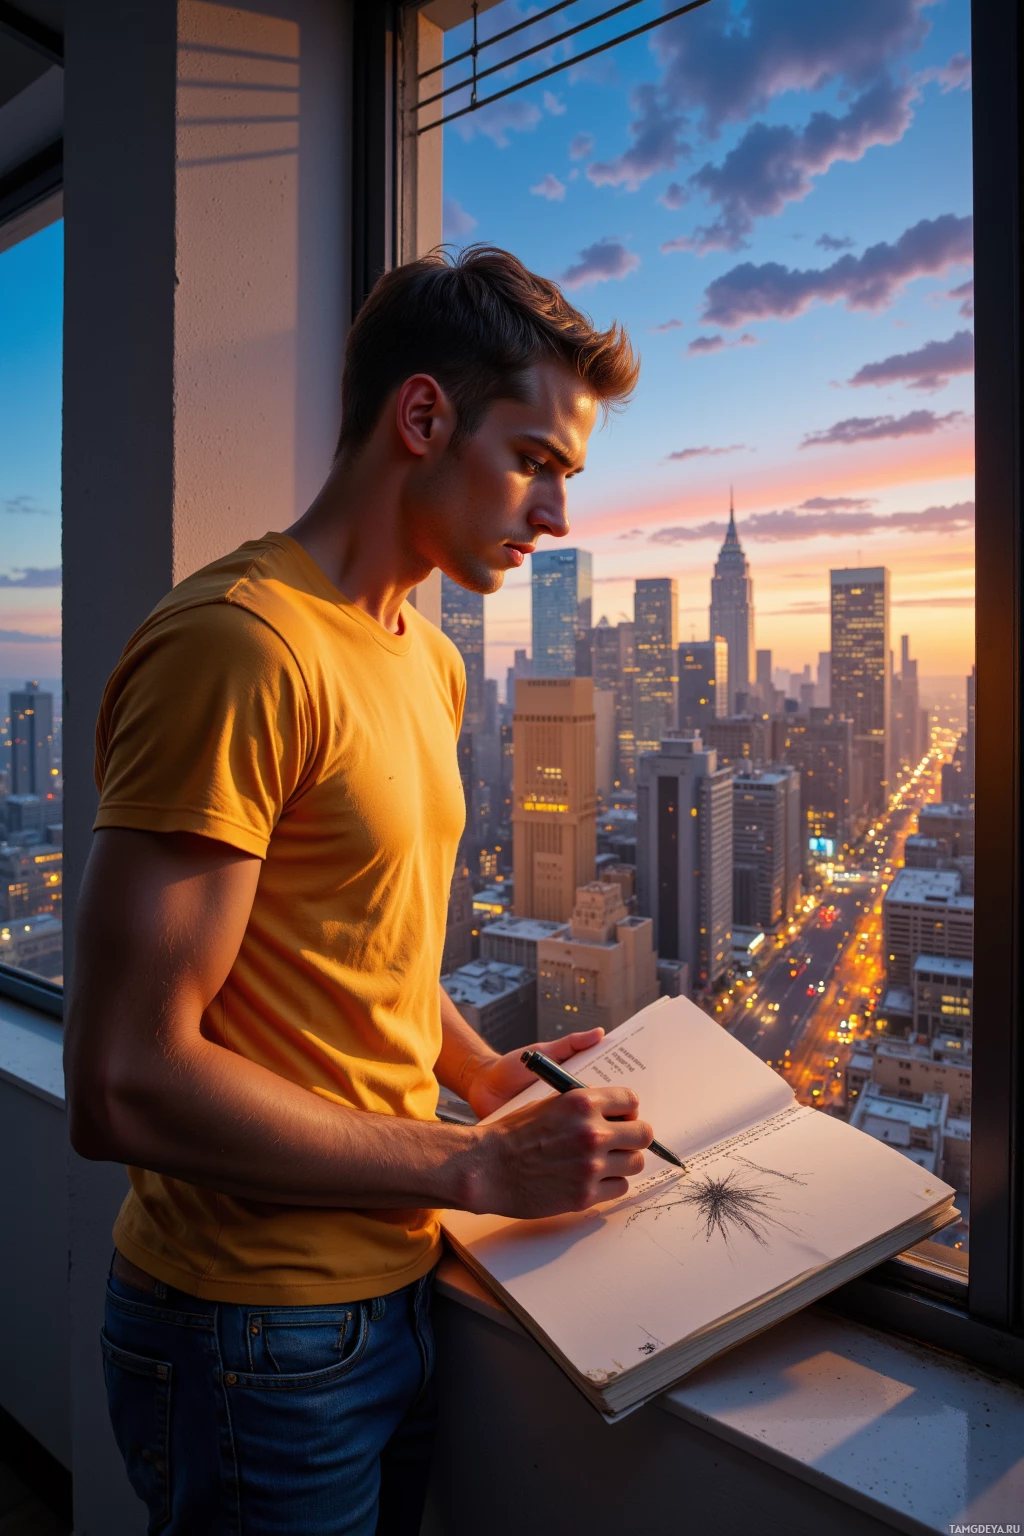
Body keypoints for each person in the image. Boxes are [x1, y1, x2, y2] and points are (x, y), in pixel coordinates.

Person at [64, 245, 645, 1535]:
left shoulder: (427, 661)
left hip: (398, 1289)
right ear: (422, 416)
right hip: (247, 1329)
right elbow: (120, 1080)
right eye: (535, 461)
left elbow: (360, 947)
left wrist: (481, 1074)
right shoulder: (239, 647)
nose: (556, 516)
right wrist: (475, 1167)